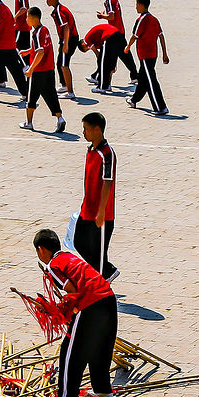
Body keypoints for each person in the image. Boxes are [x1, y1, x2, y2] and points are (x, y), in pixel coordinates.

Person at [34, 228, 118, 397]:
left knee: (71, 350)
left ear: (41, 249)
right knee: (100, 347)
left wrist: (62, 311)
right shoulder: (69, 256)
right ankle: (103, 389)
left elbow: (73, 291)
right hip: (109, 300)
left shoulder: (53, 265)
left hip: (90, 304)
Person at [73, 112, 117, 281]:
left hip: (101, 213)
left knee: (99, 251)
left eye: (86, 129)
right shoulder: (91, 150)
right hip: (87, 208)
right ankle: (107, 272)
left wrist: (101, 211)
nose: (83, 132)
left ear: (97, 129)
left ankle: (101, 281)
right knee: (78, 242)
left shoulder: (106, 154)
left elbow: (108, 182)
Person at [20, 7, 66, 134]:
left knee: (31, 97)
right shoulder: (44, 30)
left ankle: (29, 122)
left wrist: (31, 69)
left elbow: (40, 52)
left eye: (27, 17)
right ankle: (60, 118)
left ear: (34, 18)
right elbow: (40, 47)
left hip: (38, 71)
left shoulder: (36, 33)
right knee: (51, 95)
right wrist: (28, 51)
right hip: (49, 69)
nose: (26, 20)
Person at [126, 0, 167, 117]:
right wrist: (164, 54)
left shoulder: (141, 20)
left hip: (145, 55)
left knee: (151, 81)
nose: (136, 7)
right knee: (143, 78)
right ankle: (133, 100)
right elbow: (161, 36)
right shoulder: (154, 19)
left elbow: (135, 36)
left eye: (137, 4)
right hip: (153, 54)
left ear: (142, 5)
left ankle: (160, 107)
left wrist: (128, 47)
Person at [45, 0, 79, 100]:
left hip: (69, 39)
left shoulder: (59, 11)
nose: (46, 1)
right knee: (60, 62)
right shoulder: (59, 9)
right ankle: (64, 85)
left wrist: (65, 44)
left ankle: (70, 92)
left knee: (64, 65)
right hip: (67, 39)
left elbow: (66, 27)